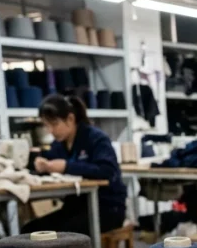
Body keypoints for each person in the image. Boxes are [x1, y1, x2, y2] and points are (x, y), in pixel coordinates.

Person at [25, 95, 127, 235]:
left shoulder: (96, 138)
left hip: (107, 208)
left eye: (54, 124)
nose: (51, 131)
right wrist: (41, 166)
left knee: (62, 235)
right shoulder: (58, 145)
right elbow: (50, 162)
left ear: (70, 119)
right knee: (30, 231)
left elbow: (106, 170)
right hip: (76, 207)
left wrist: (66, 166)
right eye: (47, 125)